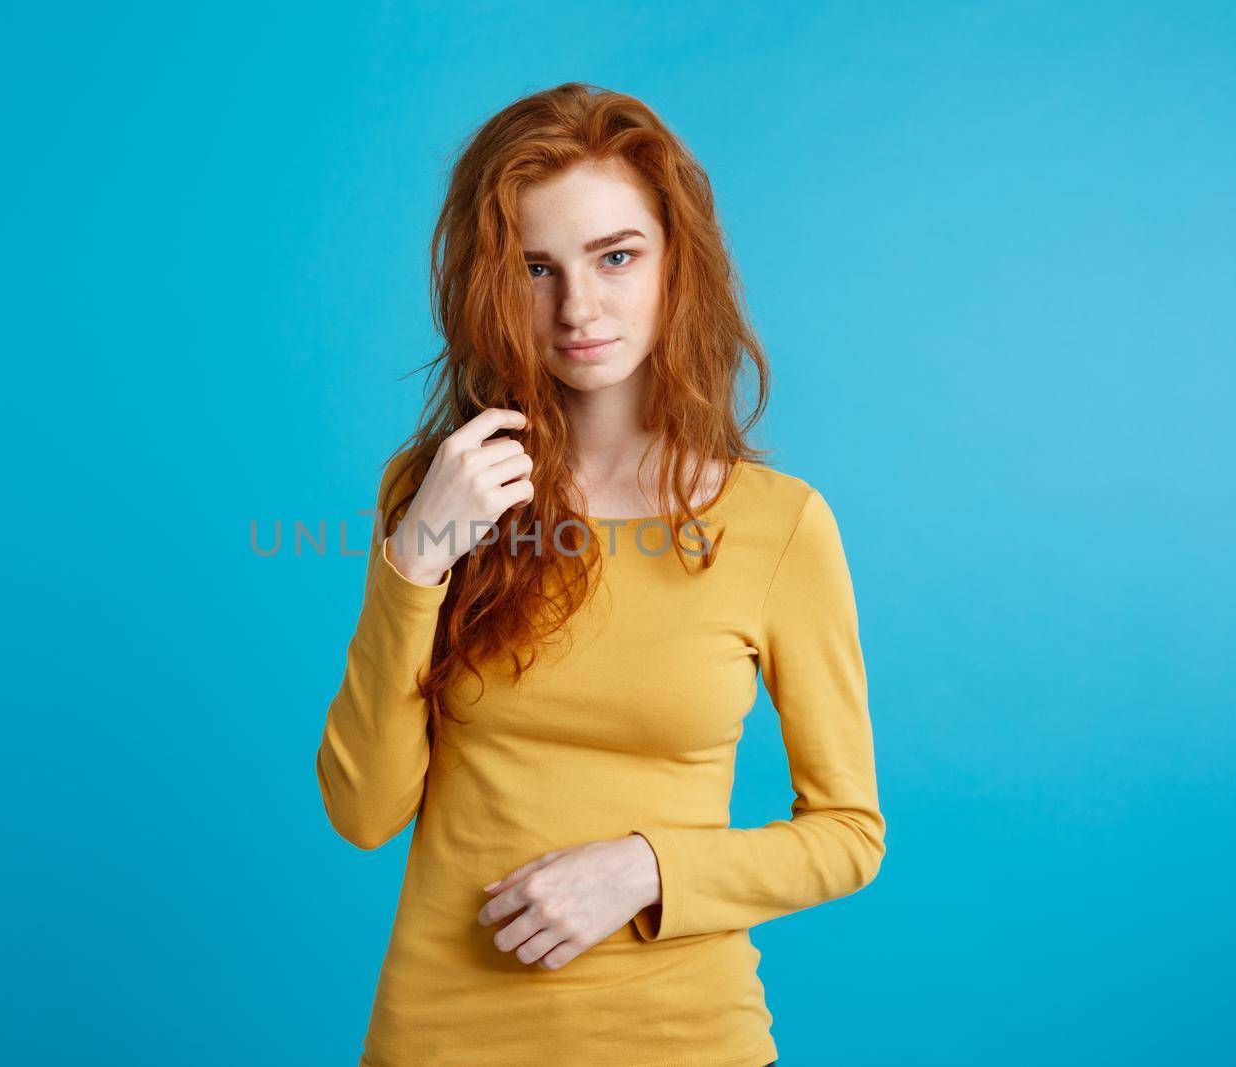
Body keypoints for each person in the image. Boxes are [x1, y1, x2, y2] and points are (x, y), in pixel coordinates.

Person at [316, 81, 882, 1067]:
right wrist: (415, 560)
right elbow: (363, 811)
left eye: (615, 256)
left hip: (685, 1035)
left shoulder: (779, 524)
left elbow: (847, 833)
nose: (577, 307)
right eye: (536, 268)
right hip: (443, 1036)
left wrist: (647, 867)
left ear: (676, 261)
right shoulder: (432, 489)